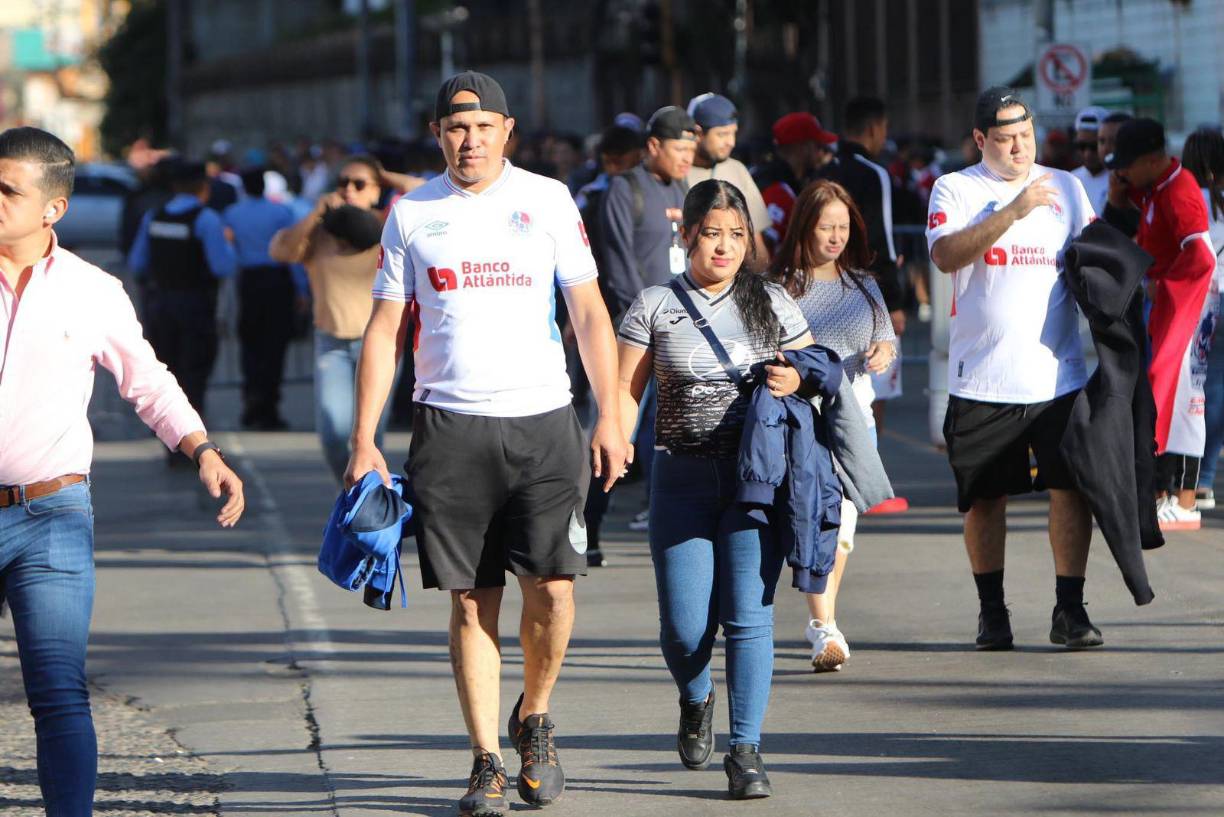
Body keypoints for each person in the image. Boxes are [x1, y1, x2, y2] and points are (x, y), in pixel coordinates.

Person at [346, 72, 628, 816]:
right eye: (453, 128)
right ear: (438, 135)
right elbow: (384, 330)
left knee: (555, 592)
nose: (468, 140)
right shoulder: (411, 214)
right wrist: (364, 438)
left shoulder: (548, 201)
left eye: (481, 127)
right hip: (448, 427)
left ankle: (534, 714)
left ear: (507, 131)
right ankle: (484, 760)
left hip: (543, 422)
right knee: (472, 604)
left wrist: (611, 416)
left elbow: (590, 314)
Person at [0, 126, 245, 816]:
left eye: (7, 190)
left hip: (52, 516)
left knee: (56, 688)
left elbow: (149, 381)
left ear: (53, 207)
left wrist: (202, 449)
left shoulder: (92, 290)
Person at [617, 178, 818, 800]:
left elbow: (814, 375)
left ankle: (746, 750)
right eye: (712, 234)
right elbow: (625, 393)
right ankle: (696, 694)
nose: (724, 247)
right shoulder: (654, 304)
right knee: (683, 629)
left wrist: (796, 381)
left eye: (737, 235)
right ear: (687, 236)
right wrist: (613, 448)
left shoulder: (773, 301)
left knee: (750, 621)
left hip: (754, 480)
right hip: (678, 478)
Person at [926, 87, 1101, 651]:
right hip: (982, 378)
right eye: (1005, 139)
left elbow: (1095, 263)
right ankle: (992, 611)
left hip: (1059, 376)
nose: (1019, 147)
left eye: (1025, 135)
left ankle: (1070, 610)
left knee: (1072, 489)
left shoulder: (1069, 188)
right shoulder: (955, 188)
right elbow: (946, 255)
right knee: (984, 498)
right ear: (981, 139)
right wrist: (1014, 210)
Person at [770, 180, 896, 671]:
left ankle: (825, 623)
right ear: (805, 226)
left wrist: (883, 352)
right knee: (814, 517)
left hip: (855, 414)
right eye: (827, 226)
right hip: (801, 418)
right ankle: (825, 627)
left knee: (843, 525)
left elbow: (885, 339)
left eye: (843, 227)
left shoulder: (863, 285)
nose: (836, 236)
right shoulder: (779, 287)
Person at [1105, 118, 1218, 530]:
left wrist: (1163, 285)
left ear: (1153, 160)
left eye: (1128, 165)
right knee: (1162, 393)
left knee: (1185, 398)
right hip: (1172, 308)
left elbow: (1201, 257)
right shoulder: (1156, 187)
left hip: (1187, 309)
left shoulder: (1180, 190)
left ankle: (1183, 500)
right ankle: (1165, 494)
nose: (1122, 173)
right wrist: (1122, 195)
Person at [594, 105, 697, 538]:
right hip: (634, 334)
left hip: (679, 332)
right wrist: (644, 321)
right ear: (653, 146)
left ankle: (660, 512)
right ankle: (588, 525)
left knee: (668, 432)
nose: (686, 157)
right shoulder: (624, 189)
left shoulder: (682, 190)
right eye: (679, 147)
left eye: (692, 147)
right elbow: (617, 264)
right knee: (616, 426)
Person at [269, 155, 393, 483]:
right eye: (343, 183)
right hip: (333, 345)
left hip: (379, 346)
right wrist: (315, 214)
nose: (349, 190)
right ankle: (354, 495)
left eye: (359, 184)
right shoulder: (320, 234)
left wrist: (391, 175)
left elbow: (424, 193)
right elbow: (281, 251)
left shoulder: (391, 228)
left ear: (377, 191)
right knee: (335, 434)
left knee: (370, 437)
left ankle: (367, 509)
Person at [820, 96, 908, 440]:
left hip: (819, 287)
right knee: (873, 388)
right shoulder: (874, 174)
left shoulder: (823, 171)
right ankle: (869, 471)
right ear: (873, 128)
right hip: (864, 297)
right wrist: (895, 302)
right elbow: (881, 242)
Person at [127, 159, 238, 419]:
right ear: (203, 187)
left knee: (168, 373)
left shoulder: (154, 216)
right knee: (194, 373)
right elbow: (223, 267)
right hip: (196, 306)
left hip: (160, 304)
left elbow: (137, 263)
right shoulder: (207, 219)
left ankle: (170, 439)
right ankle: (191, 440)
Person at [223, 166, 298, 430]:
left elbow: (229, 247)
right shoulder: (280, 212)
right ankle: (269, 406)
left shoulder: (233, 213)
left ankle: (251, 403)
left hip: (250, 281)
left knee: (250, 345)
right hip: (277, 280)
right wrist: (301, 289)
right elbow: (291, 252)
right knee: (274, 347)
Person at [1181, 127, 1224, 511]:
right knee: (1220, 390)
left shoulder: (1188, 198)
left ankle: (1193, 480)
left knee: (1197, 391)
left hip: (1201, 303)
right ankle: (1207, 475)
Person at [685, 93, 771, 258]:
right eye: (722, 134)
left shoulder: (736, 169)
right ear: (698, 133)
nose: (730, 142)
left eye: (733, 133)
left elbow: (755, 241)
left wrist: (765, 281)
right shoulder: (678, 171)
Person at [753, 112, 837, 251]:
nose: (822, 153)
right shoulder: (778, 191)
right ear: (802, 148)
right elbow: (762, 249)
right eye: (818, 146)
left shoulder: (784, 183)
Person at [1099, 112, 1139, 237]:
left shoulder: (1144, 185)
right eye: (1101, 141)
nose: (1105, 148)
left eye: (1113, 141)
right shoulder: (1077, 179)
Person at [1070, 105, 1111, 215]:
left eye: (1094, 147)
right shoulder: (1070, 180)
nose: (1087, 154)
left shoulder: (1121, 180)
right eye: (1082, 146)